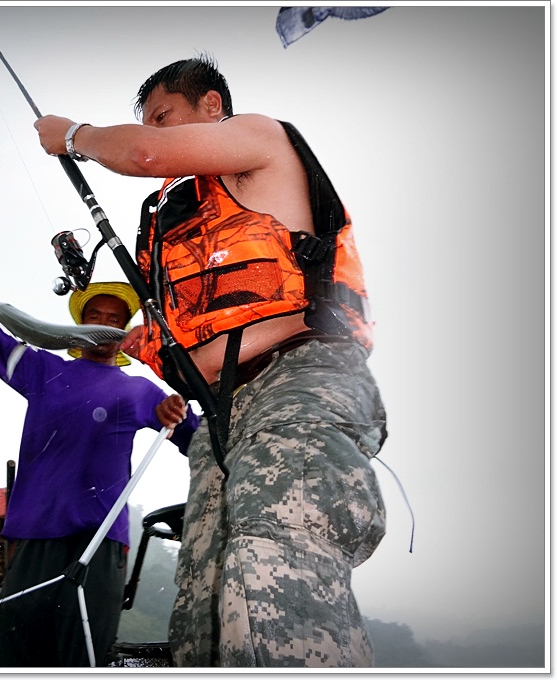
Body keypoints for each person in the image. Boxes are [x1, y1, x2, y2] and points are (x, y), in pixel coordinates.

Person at [34, 56, 387, 667]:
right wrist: (112, 338)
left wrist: (72, 137)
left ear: (212, 108)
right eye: (148, 122)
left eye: (164, 117)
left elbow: (144, 156)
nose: (156, 131)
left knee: (276, 563)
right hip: (221, 418)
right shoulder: (173, 224)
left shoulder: (259, 136)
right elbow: (180, 334)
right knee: (205, 593)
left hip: (299, 382)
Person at [0, 230, 199, 667]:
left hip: (100, 539)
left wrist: (176, 409)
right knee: (17, 656)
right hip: (31, 534)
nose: (103, 323)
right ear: (77, 328)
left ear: (121, 332)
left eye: (113, 318)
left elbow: (193, 438)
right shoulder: (42, 369)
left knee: (81, 656)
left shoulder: (139, 389)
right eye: (94, 315)